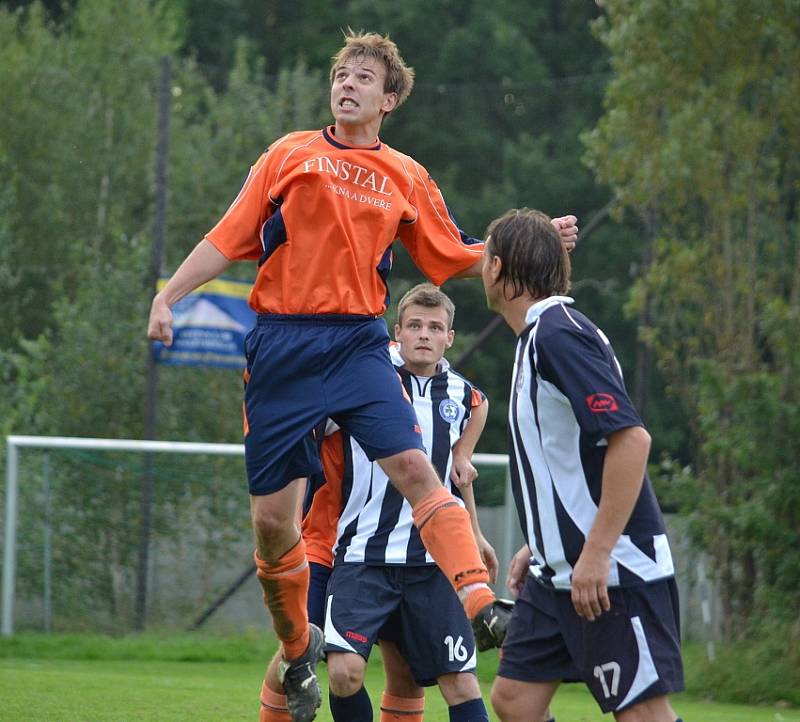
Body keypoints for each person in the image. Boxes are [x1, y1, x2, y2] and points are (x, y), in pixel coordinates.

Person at [148, 29, 578, 722]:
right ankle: (296, 655)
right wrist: (169, 296)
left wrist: (530, 243)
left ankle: (479, 604)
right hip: (281, 345)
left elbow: (457, 251)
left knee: (415, 467)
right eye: (341, 74)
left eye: (363, 77)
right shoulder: (288, 155)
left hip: (355, 341)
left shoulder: (405, 175)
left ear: (391, 97)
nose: (347, 84)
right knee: (271, 523)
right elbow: (227, 237)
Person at [479, 208, 684, 722]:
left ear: (499, 269)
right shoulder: (534, 339)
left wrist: (594, 552)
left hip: (612, 571)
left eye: (483, 255)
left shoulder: (558, 335)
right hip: (558, 574)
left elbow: (631, 440)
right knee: (516, 702)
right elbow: (568, 463)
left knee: (641, 714)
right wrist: (543, 543)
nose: (479, 266)